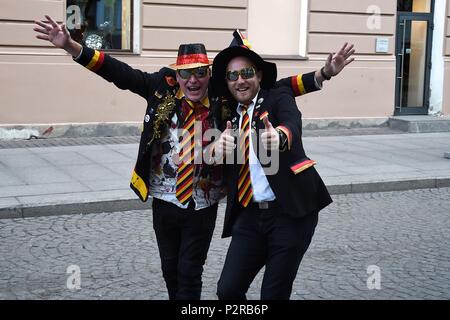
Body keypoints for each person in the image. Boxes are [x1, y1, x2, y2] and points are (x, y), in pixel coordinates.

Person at [33, 16, 353, 299]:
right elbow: (120, 73)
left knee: (191, 272)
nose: (193, 80)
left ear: (209, 75)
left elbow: (278, 88)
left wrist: (322, 74)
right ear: (176, 75)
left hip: (204, 201)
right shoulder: (160, 86)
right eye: (186, 74)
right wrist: (73, 47)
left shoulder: (222, 94)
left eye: (200, 73)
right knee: (171, 270)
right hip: (164, 198)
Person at [210, 37, 354, 300]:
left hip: (289, 214)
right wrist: (215, 152)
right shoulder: (227, 113)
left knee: (273, 294)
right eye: (232, 75)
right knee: (227, 291)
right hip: (249, 217)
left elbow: (292, 122)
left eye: (246, 73)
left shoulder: (277, 95)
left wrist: (280, 136)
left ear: (259, 74)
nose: (240, 80)